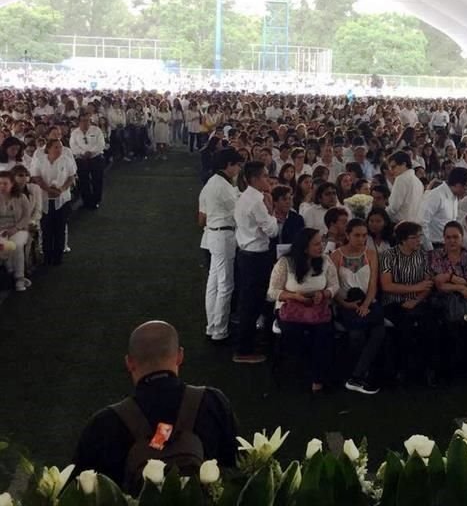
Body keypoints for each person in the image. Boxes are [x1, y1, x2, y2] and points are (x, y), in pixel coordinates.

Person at [74, 321, 238, 491]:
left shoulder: (103, 424)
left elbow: (80, 491)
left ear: (129, 363)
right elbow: (235, 470)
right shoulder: (213, 403)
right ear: (180, 356)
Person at [267, 228, 338, 393]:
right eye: (316, 244)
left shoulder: (326, 261)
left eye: (321, 243)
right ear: (304, 247)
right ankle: (302, 366)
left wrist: (324, 293)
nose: (321, 247)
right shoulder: (285, 263)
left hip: (317, 307)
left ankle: (318, 378)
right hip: (292, 307)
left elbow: (334, 285)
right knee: (294, 332)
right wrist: (295, 296)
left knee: (323, 333)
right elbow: (272, 291)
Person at [379, 221, 441, 386]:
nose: (418, 241)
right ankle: (403, 369)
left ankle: (429, 369)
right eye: (413, 237)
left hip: (419, 300)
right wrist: (414, 288)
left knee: (431, 325)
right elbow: (387, 285)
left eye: (419, 236)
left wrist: (416, 298)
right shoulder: (388, 256)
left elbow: (428, 284)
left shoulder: (424, 255)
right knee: (404, 327)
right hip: (394, 302)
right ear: (403, 239)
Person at [331, 219, 385, 395]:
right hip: (346, 303)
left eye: (364, 235)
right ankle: (359, 374)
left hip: (368, 302)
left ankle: (357, 375)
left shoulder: (370, 254)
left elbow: (373, 284)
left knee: (378, 330)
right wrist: (346, 303)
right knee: (358, 334)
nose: (361, 239)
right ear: (348, 235)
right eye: (357, 235)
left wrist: (367, 304)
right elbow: (333, 286)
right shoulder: (336, 256)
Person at [233, 161, 279, 364]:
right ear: (254, 179)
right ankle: (244, 349)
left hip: (246, 254)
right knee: (251, 304)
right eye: (265, 176)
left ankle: (249, 341)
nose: (268, 179)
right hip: (256, 257)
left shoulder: (245, 197)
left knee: (250, 302)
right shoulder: (256, 201)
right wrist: (272, 212)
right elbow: (272, 230)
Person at [429, 221, 467, 374]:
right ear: (443, 238)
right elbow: (439, 285)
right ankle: (447, 368)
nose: (452, 241)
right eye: (448, 237)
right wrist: (459, 285)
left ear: (462, 238)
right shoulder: (436, 255)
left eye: (455, 237)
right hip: (442, 301)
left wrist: (449, 278)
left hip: (465, 301)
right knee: (446, 324)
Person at [198, 149, 243, 342]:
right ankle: (220, 331)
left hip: (213, 234)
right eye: (237, 165)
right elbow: (239, 213)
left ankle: (213, 326)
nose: (238, 169)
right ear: (229, 165)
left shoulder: (212, 183)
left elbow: (202, 216)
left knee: (214, 284)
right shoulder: (222, 186)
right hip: (223, 235)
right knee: (225, 285)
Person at [30, 138, 76, 266]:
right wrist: (48, 189)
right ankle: (47, 255)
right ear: (48, 148)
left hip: (62, 199)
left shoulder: (66, 160)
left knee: (60, 228)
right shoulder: (40, 160)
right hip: (45, 199)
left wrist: (61, 189)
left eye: (60, 147)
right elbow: (36, 177)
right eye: (56, 147)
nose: (59, 150)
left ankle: (58, 256)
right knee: (46, 229)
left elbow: (71, 177)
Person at [420, 166, 467, 248]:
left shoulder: (454, 197)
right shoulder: (436, 196)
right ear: (458, 185)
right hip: (435, 245)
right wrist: (429, 248)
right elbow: (422, 223)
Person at [0, 171, 32, 291]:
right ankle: (10, 269)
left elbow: (26, 216)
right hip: (1, 230)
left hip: (19, 229)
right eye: (0, 183)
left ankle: (19, 278)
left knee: (16, 245)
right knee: (3, 245)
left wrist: (16, 228)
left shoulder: (21, 197)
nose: (2, 186)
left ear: (12, 184)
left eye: (5, 183)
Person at [69, 112, 107, 210]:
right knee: (83, 181)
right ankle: (87, 201)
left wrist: (91, 152)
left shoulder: (96, 130)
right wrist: (83, 153)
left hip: (96, 158)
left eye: (87, 120)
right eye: (83, 121)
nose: (85, 123)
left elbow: (101, 144)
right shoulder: (75, 133)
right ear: (79, 122)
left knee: (97, 180)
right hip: (81, 160)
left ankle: (96, 200)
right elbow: (73, 146)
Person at [385, 151, 424, 224]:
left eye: (393, 167)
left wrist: (382, 214)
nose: (391, 171)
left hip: (399, 224)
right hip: (414, 224)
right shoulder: (419, 182)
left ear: (404, 164)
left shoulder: (401, 179)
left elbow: (394, 208)